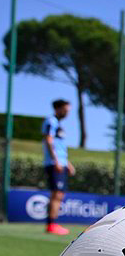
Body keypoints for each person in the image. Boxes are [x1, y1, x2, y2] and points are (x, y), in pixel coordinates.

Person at [42, 99, 75, 235]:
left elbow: (59, 146)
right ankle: (51, 225)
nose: (67, 113)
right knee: (57, 194)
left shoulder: (58, 124)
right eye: (65, 110)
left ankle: (52, 223)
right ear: (58, 109)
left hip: (60, 163)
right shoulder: (51, 121)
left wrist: (67, 163)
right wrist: (56, 161)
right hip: (55, 164)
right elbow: (49, 141)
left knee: (59, 194)